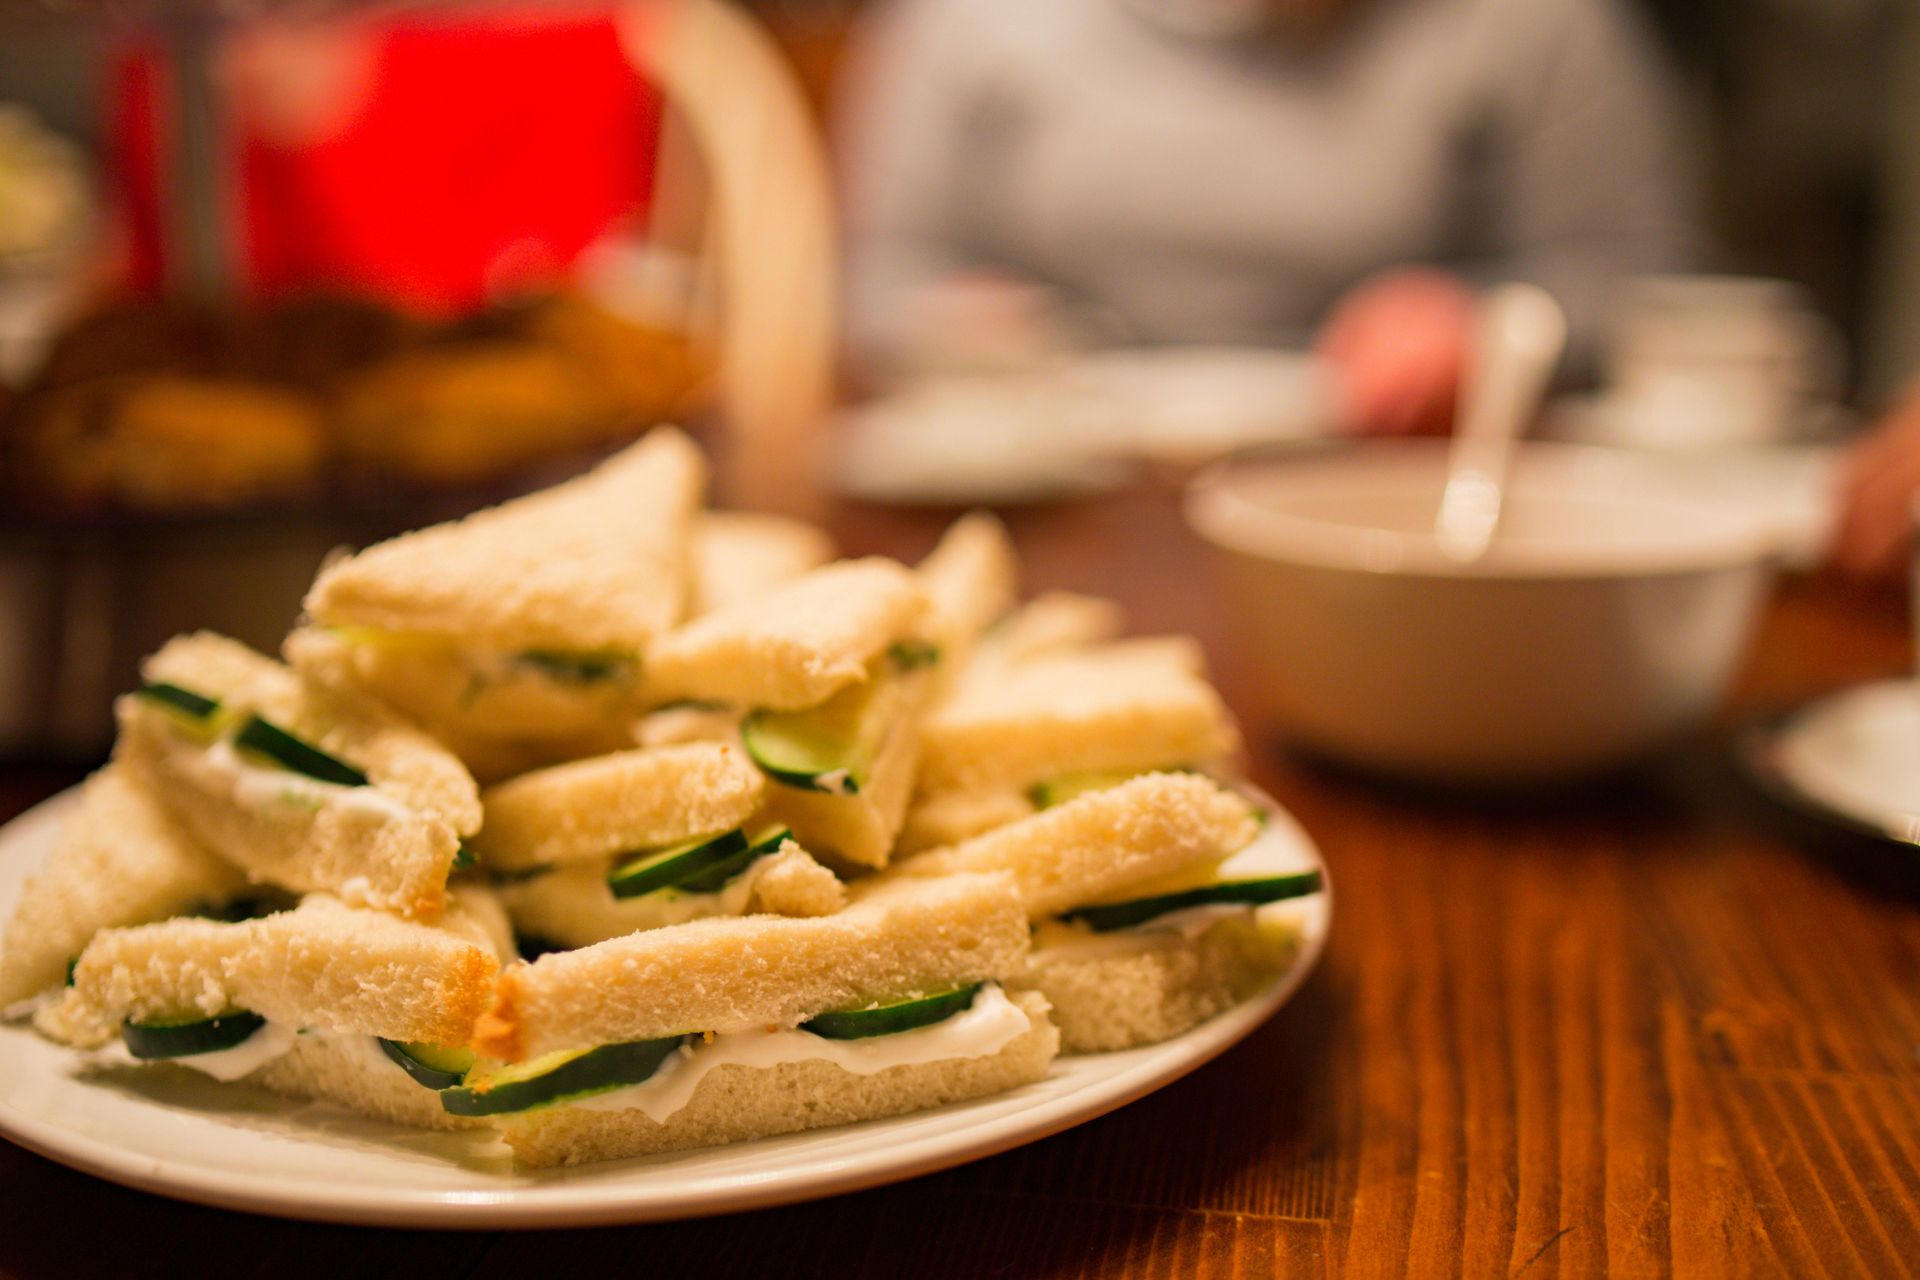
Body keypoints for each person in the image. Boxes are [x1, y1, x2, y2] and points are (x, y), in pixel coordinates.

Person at [836, 0, 1699, 435]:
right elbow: (879, 276)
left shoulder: (1533, 26)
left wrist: (1488, 325)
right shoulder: (968, 22)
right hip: (1052, 485)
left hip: (1401, 483)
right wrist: (959, 323)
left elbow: (1637, 280)